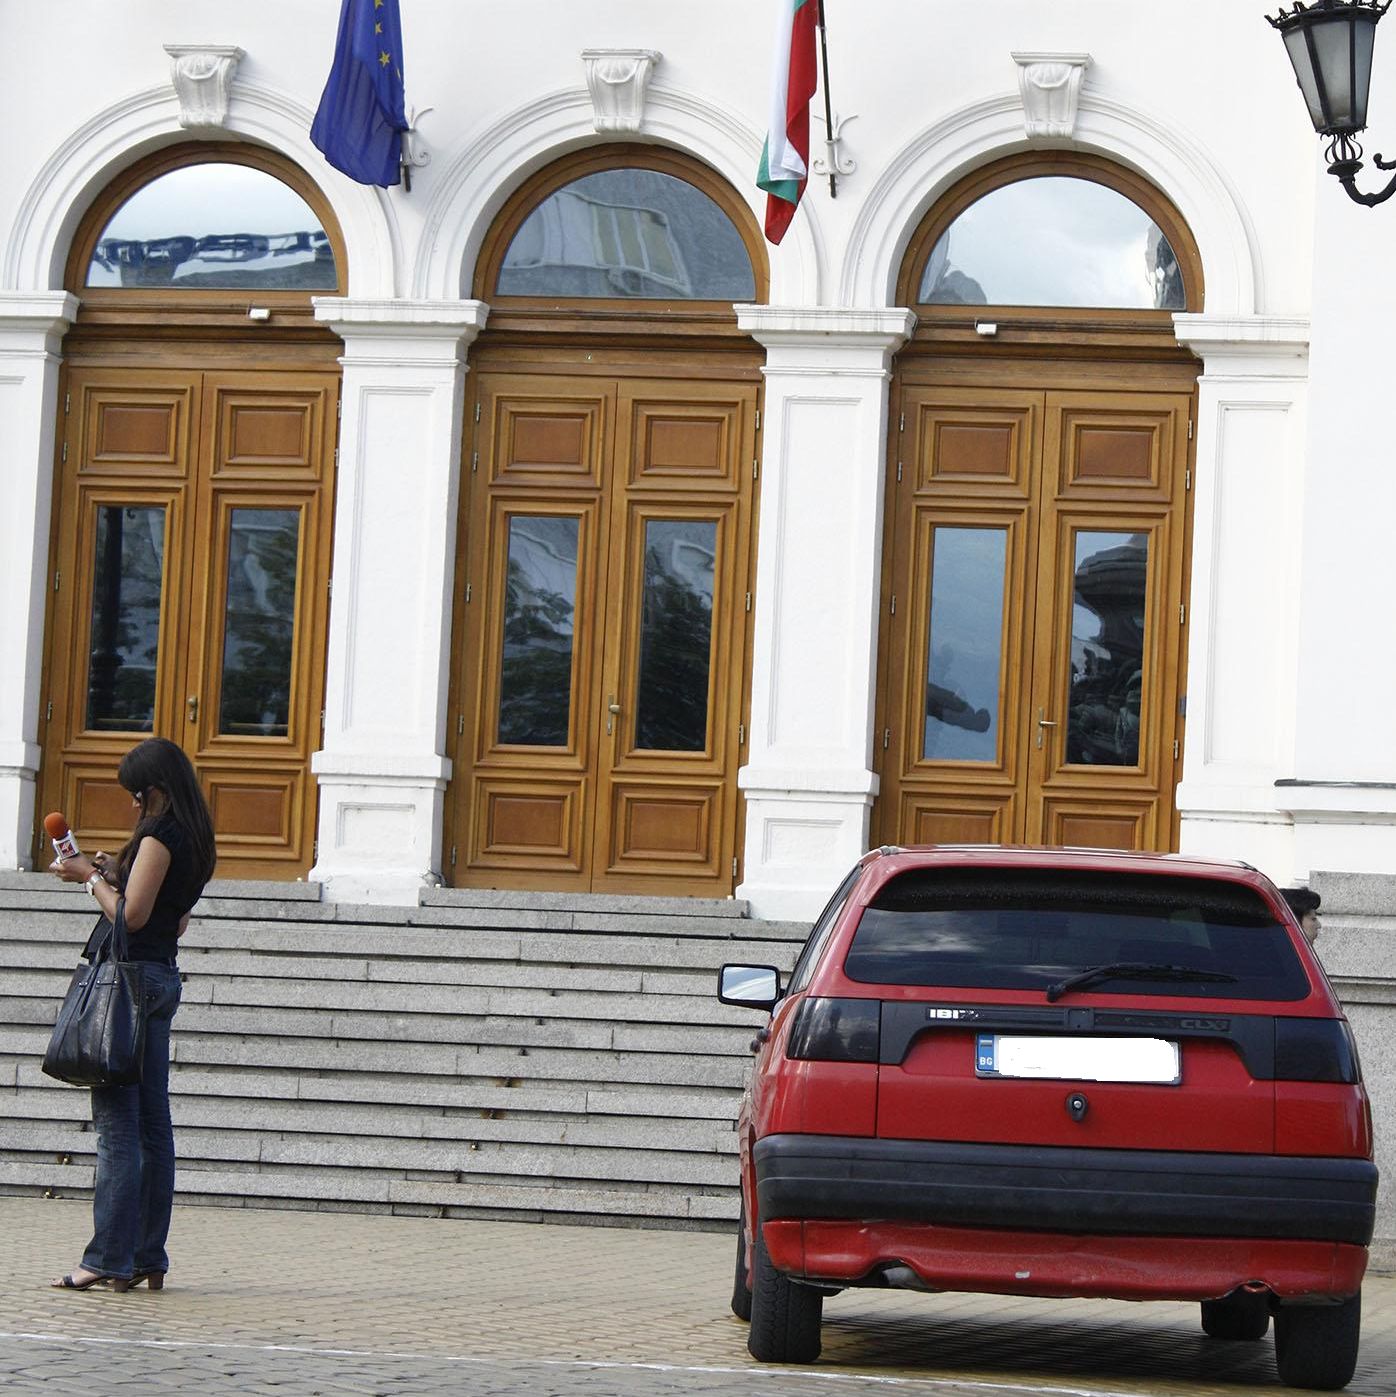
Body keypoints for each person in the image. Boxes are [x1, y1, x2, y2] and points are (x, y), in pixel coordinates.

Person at [46, 737, 216, 1292]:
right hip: (161, 979)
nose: (133, 806)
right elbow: (177, 919)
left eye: (137, 795)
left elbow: (133, 917)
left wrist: (90, 880)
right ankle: (146, 1256)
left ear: (156, 789)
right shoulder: (196, 837)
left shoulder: (160, 835)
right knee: (152, 1126)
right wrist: (114, 871)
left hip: (131, 984)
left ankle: (106, 1258)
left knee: (118, 1128)